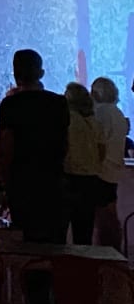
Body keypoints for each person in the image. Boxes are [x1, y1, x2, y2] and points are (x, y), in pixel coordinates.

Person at [0, 49, 69, 246]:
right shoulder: (59, 103)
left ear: (15, 73)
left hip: (21, 184)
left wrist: (0, 186)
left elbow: (5, 148)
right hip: (52, 182)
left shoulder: (10, 104)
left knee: (25, 244)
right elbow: (65, 145)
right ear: (41, 73)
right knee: (53, 245)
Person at [91, 76, 128, 247]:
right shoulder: (118, 113)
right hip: (113, 170)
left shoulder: (102, 113)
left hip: (101, 171)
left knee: (104, 218)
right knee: (110, 215)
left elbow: (99, 143)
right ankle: (114, 251)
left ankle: (107, 252)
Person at [63, 82, 102, 246]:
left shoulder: (68, 120)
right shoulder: (94, 122)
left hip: (71, 177)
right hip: (91, 179)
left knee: (62, 229)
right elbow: (102, 151)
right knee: (85, 231)